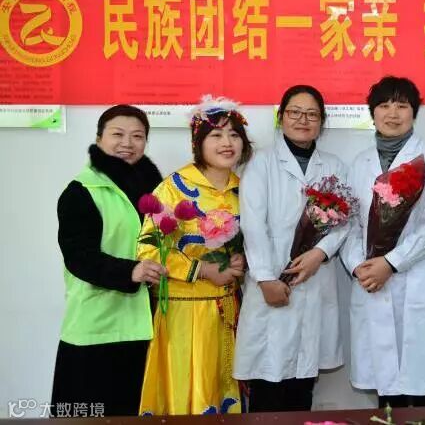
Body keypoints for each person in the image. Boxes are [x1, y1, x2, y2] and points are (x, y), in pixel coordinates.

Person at [341, 76, 425, 408]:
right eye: (384, 105)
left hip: (418, 278)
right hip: (371, 281)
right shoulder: (359, 164)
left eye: (402, 105)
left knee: (424, 386)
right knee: (385, 386)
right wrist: (359, 267)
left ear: (414, 112)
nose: (393, 113)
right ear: (372, 112)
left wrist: (391, 263)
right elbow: (349, 224)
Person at [234, 85, 349, 412]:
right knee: (268, 381)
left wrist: (319, 254)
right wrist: (266, 279)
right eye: (295, 112)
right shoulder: (260, 164)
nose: (303, 120)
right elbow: (253, 224)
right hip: (271, 283)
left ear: (321, 122)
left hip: (315, 279)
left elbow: (344, 221)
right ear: (281, 117)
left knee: (302, 384)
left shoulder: (334, 166)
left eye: (312, 114)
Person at [138, 96, 253, 415]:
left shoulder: (247, 189)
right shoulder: (173, 188)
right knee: (185, 394)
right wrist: (202, 270)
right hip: (183, 313)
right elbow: (148, 249)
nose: (227, 142)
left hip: (230, 312)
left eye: (234, 135)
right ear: (198, 143)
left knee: (224, 390)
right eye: (216, 135)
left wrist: (244, 260)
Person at [51, 105, 165, 417]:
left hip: (145, 326)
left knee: (133, 413)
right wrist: (132, 271)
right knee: (86, 414)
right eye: (118, 134)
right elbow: (79, 256)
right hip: (98, 328)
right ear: (99, 138)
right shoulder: (82, 191)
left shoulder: (156, 191)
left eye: (137, 136)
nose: (127, 143)